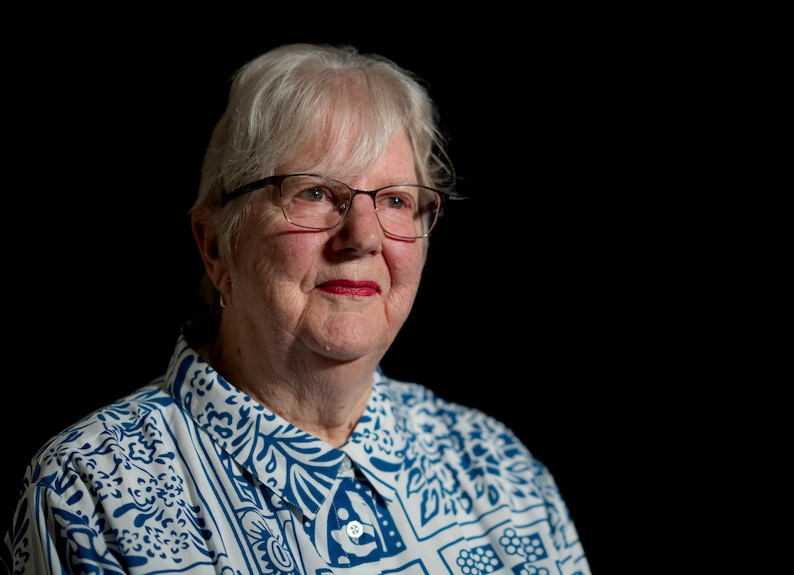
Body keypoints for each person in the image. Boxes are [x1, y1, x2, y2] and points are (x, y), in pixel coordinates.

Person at [2, 43, 591, 574]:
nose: (364, 237)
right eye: (314, 192)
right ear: (217, 246)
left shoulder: (499, 466)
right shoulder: (89, 491)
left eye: (395, 200)